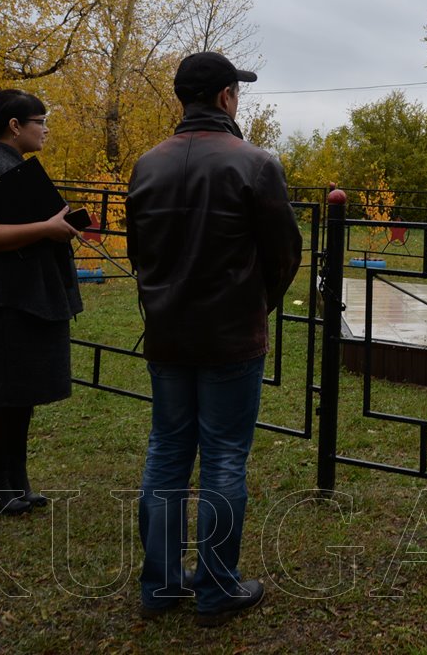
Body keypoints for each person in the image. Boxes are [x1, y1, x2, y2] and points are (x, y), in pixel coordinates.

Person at [126, 51, 301, 627]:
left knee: (166, 451)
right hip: (230, 338)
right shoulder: (255, 163)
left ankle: (160, 587)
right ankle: (217, 588)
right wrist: (254, 306)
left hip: (167, 334)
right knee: (224, 457)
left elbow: (139, 252)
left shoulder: (147, 165)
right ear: (226, 97)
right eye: (237, 91)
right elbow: (285, 255)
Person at [0, 89, 83, 516]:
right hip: (1, 298)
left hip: (24, 294)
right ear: (15, 126)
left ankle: (15, 482)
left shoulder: (12, 165)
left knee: (19, 393)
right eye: (40, 122)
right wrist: (46, 228)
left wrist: (55, 223)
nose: (45, 129)